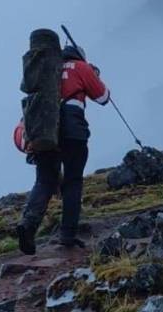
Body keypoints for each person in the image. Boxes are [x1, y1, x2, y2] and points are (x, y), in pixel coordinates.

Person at [16, 45, 110, 254]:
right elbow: (103, 97)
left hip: (44, 131)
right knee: (73, 180)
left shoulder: (47, 70)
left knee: (44, 181)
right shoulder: (81, 67)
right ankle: (67, 235)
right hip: (73, 131)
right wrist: (93, 75)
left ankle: (28, 224)